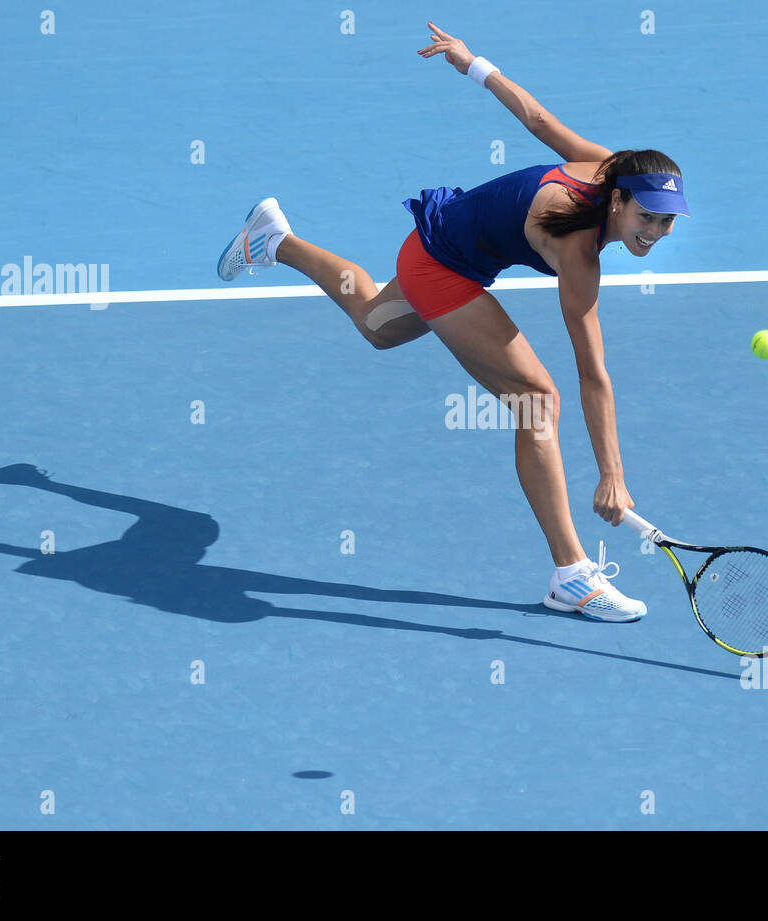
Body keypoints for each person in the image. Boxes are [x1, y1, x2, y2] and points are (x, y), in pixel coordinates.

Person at [216, 21, 688, 623]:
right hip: (442, 266)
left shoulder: (609, 169)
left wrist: (472, 63)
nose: (654, 231)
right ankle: (572, 575)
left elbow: (538, 119)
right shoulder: (579, 254)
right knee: (537, 399)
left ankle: (274, 238)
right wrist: (612, 476)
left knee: (375, 324)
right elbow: (591, 373)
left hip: (437, 249)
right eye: (647, 216)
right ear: (620, 201)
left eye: (668, 222)